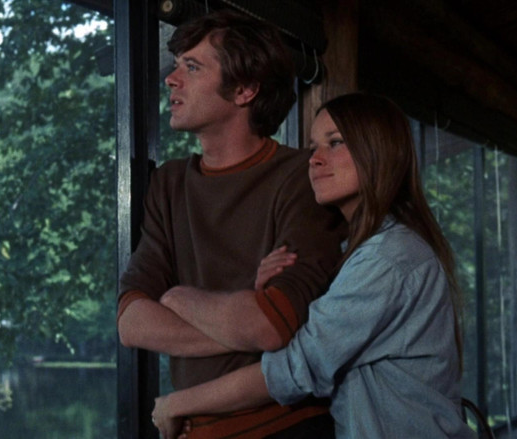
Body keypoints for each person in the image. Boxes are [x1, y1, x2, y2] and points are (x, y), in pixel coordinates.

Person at [151, 93, 476, 438]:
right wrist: (263, 297)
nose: (314, 159)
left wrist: (176, 402)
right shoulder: (358, 253)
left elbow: (297, 368)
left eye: (334, 143)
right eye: (312, 147)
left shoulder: (388, 258)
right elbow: (312, 340)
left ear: (378, 152)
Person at [116, 8, 346, 439]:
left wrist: (177, 298)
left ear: (244, 90)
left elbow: (271, 325)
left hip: (286, 429)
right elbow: (131, 322)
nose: (171, 79)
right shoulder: (169, 183)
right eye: (176, 65)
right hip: (191, 428)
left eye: (192, 67)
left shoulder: (303, 176)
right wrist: (245, 320)